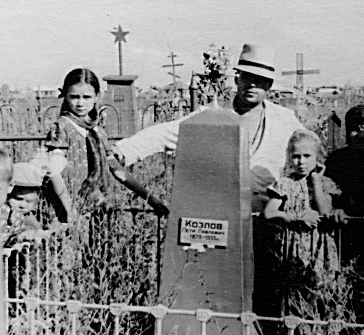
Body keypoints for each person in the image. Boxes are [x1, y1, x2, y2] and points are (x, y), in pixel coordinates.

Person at [113, 43, 305, 214]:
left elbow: (311, 151)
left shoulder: (284, 120)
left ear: (269, 85)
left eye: (260, 79)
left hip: (268, 218)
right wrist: (123, 151)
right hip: (221, 216)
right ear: (237, 79)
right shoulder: (211, 117)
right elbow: (163, 134)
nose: (252, 84)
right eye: (247, 77)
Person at [46, 68, 168, 216]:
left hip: (93, 207)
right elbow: (53, 172)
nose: (80, 103)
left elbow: (116, 168)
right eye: (74, 97)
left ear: (97, 97)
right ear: (65, 95)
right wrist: (70, 211)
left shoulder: (97, 132)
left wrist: (150, 199)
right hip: (66, 209)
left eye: (87, 97)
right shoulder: (62, 127)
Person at [259, 130, 340, 335]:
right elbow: (269, 212)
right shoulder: (285, 184)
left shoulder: (325, 183)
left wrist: (316, 182)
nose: (301, 162)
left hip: (319, 249)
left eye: (307, 156)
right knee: (293, 296)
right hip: (293, 248)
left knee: (319, 294)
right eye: (296, 156)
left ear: (318, 158)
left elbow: (325, 211)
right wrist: (295, 217)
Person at [325, 104, 364, 273]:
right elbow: (328, 192)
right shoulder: (337, 159)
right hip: (343, 229)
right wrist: (335, 209)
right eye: (354, 129)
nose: (360, 135)